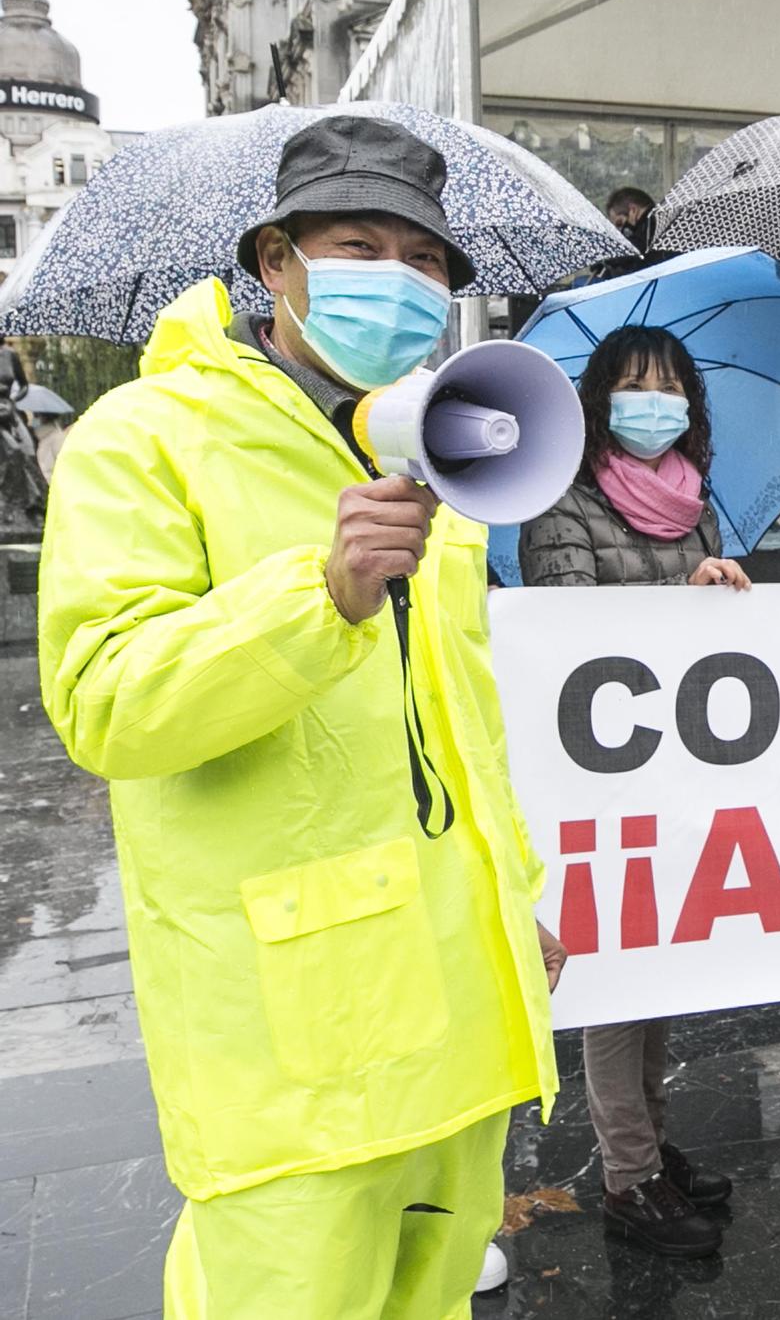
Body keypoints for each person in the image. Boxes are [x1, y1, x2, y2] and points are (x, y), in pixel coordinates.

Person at [37, 114, 563, 1317]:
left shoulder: (443, 463)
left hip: (462, 1011)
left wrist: (510, 905)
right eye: (358, 243)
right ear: (273, 261)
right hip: (291, 1038)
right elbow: (105, 703)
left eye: (427, 261)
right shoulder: (144, 438)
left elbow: (456, 730)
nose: (402, 278)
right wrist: (313, 598)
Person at [519, 324, 746, 1258]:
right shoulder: (560, 500)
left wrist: (724, 585)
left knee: (657, 972)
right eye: (634, 385)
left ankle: (650, 1145)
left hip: (679, 772)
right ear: (600, 400)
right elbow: (572, 633)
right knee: (614, 978)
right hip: (598, 783)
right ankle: (627, 1177)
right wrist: (675, 596)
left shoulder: (697, 505)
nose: (655, 402)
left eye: (670, 387)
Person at [605, 185, 658, 253]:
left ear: (633, 210)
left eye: (619, 223)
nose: (620, 230)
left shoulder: (647, 231)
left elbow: (633, 252)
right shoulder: (662, 219)